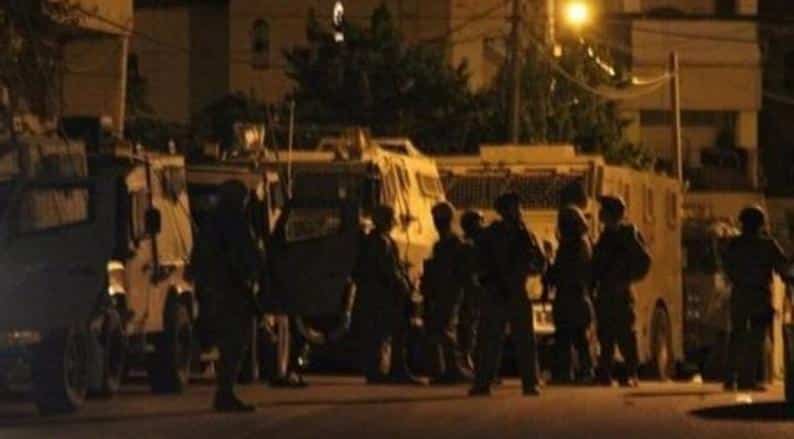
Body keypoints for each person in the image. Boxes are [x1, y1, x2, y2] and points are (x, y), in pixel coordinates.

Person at [192, 180, 263, 412]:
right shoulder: (234, 221)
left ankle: (225, 391)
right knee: (235, 342)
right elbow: (246, 254)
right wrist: (254, 273)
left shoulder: (210, 222)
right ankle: (225, 392)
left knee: (226, 341)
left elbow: (198, 257)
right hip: (232, 290)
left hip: (213, 289)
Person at [469, 192, 547, 397]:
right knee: (490, 340)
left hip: (515, 290)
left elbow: (540, 261)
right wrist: (487, 279)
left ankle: (530, 382)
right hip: (496, 292)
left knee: (524, 340)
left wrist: (528, 269)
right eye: (513, 207)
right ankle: (483, 382)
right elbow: (478, 261)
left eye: (517, 207)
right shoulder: (491, 234)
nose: (517, 211)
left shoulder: (525, 234)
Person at [723, 205, 790, 392]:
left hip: (740, 294)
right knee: (756, 338)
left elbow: (727, 266)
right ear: (761, 224)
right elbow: (783, 268)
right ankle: (747, 378)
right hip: (759, 296)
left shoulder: (735, 245)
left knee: (737, 336)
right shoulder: (768, 245)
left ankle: (730, 377)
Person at [354, 204, 421, 385]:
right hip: (385, 295)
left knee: (379, 334)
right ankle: (394, 370)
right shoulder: (381, 242)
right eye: (391, 218)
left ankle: (379, 370)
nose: (394, 222)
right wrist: (405, 286)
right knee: (392, 332)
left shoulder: (375, 240)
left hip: (377, 295)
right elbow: (389, 270)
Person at [592, 195, 651, 388]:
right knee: (605, 335)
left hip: (621, 293)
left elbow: (644, 261)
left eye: (604, 210)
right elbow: (597, 264)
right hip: (605, 292)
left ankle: (631, 372)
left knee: (625, 334)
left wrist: (626, 280)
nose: (601, 214)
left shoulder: (628, 234)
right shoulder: (605, 237)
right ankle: (605, 372)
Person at [422, 202, 472, 384]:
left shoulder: (455, 244)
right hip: (442, 291)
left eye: (440, 220)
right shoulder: (442, 244)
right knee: (441, 329)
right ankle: (447, 369)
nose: (437, 223)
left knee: (446, 328)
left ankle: (453, 369)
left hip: (451, 291)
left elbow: (461, 272)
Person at [545, 205, 594, 383]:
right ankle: (579, 371)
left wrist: (550, 272)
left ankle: (571, 372)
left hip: (572, 296)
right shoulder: (580, 244)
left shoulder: (573, 246)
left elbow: (563, 271)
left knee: (569, 337)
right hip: (576, 296)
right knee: (575, 337)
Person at [459, 209, 486, 373]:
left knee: (475, 329)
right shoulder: (468, 246)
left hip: (477, 292)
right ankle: (469, 362)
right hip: (471, 293)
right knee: (471, 328)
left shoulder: (478, 244)